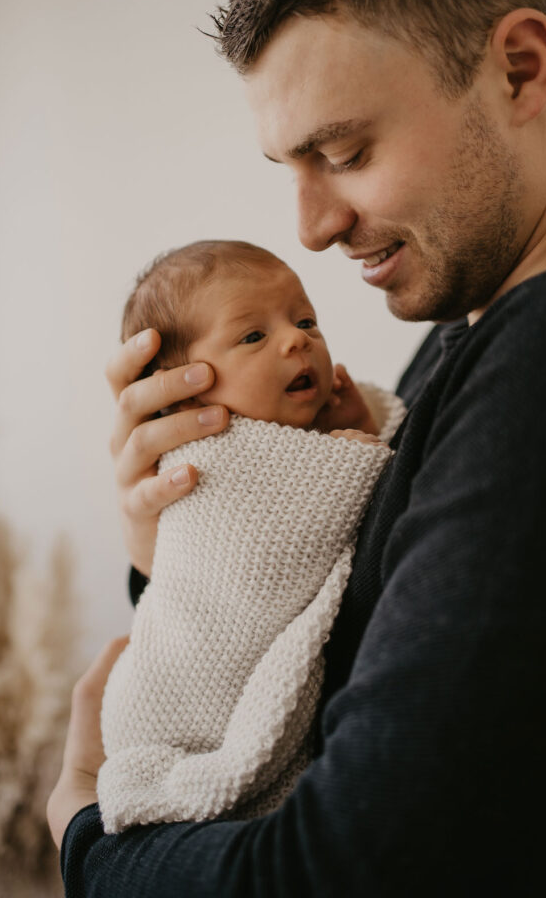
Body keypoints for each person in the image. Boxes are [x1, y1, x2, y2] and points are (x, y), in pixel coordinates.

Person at [47, 0, 546, 894]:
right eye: (289, 166)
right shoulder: (465, 343)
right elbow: (329, 677)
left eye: (345, 152)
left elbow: (357, 872)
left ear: (521, 68)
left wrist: (88, 836)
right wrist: (174, 544)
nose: (310, 225)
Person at [97, 239, 404, 832]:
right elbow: (256, 560)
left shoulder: (306, 434)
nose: (298, 340)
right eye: (253, 336)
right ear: (187, 387)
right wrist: (346, 464)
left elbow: (388, 490)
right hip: (176, 709)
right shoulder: (214, 457)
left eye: (305, 319)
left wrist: (360, 434)